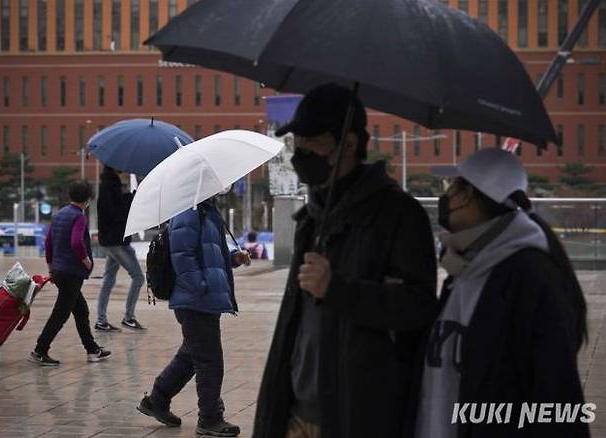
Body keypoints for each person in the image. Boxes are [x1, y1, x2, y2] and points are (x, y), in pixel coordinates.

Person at [252, 83, 439, 438]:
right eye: (298, 143)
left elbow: (418, 308)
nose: (301, 152)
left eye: (313, 142)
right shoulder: (313, 216)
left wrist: (338, 290)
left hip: (357, 415)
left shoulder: (398, 215)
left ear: (349, 144)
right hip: (296, 410)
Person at [405, 148, 589, 438]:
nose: (447, 196)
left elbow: (556, 392)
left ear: (468, 195)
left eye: (451, 187)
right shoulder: (464, 266)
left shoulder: (528, 274)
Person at [137, 198, 251, 437]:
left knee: (192, 353)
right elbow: (182, 255)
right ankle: (210, 418)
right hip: (195, 300)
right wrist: (200, 287)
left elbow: (209, 254)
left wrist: (234, 259)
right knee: (210, 361)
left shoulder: (206, 210)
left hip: (204, 299)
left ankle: (157, 400)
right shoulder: (187, 212)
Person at [29, 181, 111, 366]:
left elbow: (48, 242)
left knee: (81, 310)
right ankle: (40, 350)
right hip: (71, 273)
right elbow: (76, 242)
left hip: (59, 270)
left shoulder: (59, 215)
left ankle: (92, 350)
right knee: (61, 314)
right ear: (87, 199)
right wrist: (86, 261)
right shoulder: (79, 217)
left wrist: (50, 265)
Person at [95, 165, 146, 331]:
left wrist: (129, 197)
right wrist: (131, 199)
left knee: (109, 279)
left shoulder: (110, 184)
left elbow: (115, 208)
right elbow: (115, 213)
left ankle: (101, 320)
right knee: (138, 277)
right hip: (116, 241)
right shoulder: (110, 185)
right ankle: (128, 317)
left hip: (113, 240)